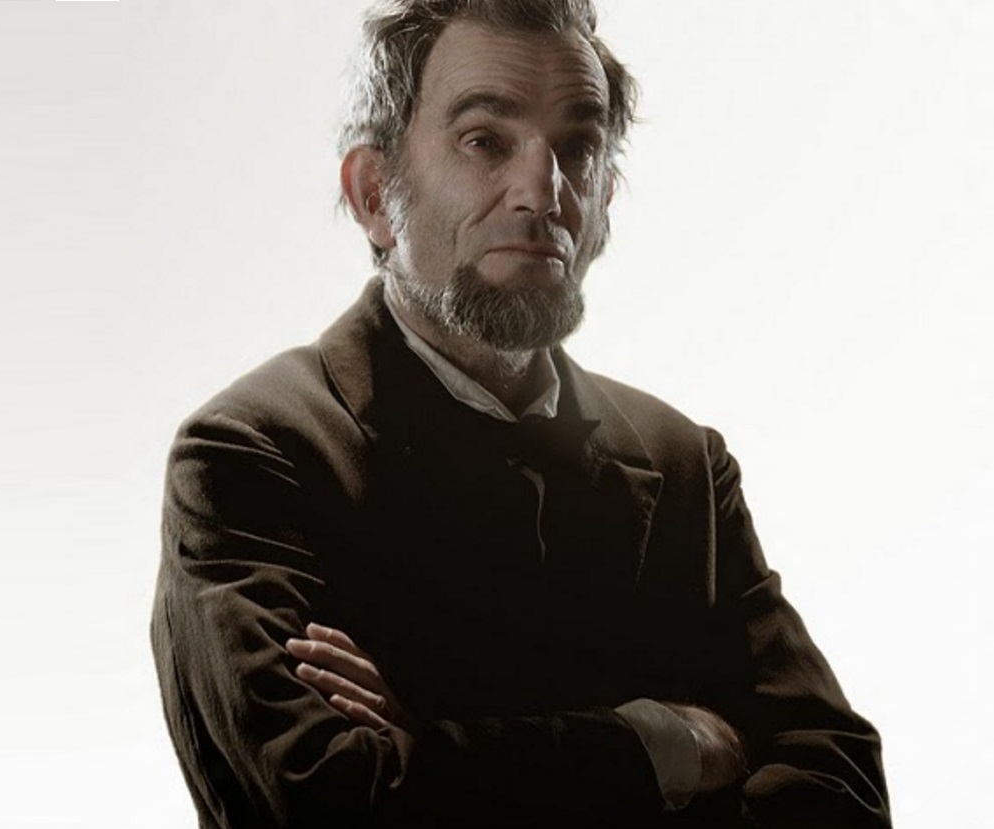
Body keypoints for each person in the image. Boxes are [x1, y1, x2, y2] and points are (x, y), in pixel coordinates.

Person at [150, 1, 890, 826]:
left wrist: (432, 751)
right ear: (373, 193)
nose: (542, 192)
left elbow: (843, 794)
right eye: (484, 141)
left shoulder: (684, 462)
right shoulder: (249, 454)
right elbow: (324, 801)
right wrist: (662, 745)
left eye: (577, 148)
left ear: (606, 198)